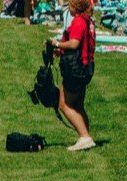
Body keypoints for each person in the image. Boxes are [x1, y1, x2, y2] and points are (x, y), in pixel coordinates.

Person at [49, 0, 98, 152]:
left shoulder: (78, 21)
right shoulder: (87, 21)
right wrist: (62, 49)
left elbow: (74, 43)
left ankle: (85, 137)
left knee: (64, 105)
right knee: (78, 105)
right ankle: (85, 136)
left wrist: (57, 44)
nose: (68, 7)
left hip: (75, 69)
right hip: (85, 67)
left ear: (76, 7)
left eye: (70, 4)